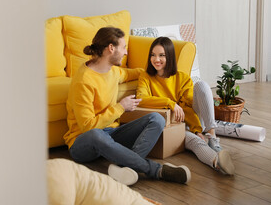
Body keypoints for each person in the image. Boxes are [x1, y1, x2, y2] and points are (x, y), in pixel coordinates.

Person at [64, 27, 191, 186]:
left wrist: (158, 70)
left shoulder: (114, 71)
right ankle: (157, 170)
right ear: (111, 48)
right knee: (97, 134)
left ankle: (123, 167)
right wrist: (120, 107)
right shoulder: (84, 80)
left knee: (156, 119)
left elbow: (138, 72)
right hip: (82, 143)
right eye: (123, 47)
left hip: (110, 133)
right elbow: (87, 128)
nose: (125, 52)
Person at [136, 36, 235, 175]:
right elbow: (141, 99)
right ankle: (217, 162)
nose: (156, 59)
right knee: (196, 143)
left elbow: (188, 107)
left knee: (201, 85)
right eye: (153, 55)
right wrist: (170, 103)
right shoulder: (145, 77)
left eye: (161, 55)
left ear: (169, 56)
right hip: (173, 125)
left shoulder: (182, 77)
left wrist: (197, 130)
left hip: (191, 119)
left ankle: (212, 136)